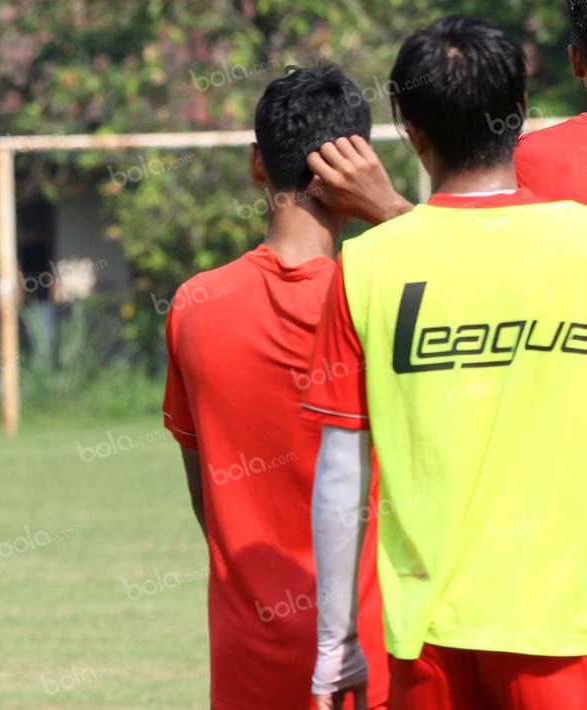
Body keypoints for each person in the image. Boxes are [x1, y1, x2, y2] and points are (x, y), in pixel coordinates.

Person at [304, 16, 587, 709]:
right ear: (520, 116)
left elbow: (341, 475)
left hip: (425, 639)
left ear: (410, 131)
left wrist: (335, 642)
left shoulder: (364, 265)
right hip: (565, 632)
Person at [162, 65, 389, 710]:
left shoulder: (194, 305)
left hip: (247, 662)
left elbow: (207, 496)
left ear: (257, 165)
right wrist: (394, 212)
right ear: (359, 163)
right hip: (367, 655)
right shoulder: (384, 298)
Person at [306, 1, 587, 221]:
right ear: (522, 107)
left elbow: (476, 260)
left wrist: (387, 207)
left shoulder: (526, 160)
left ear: (575, 60)